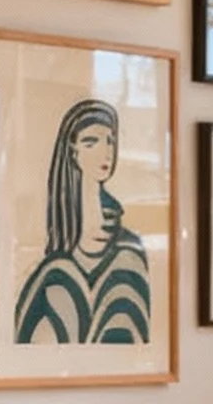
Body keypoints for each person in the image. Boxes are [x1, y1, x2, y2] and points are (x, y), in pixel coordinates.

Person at [14, 96, 150, 346]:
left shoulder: (128, 251)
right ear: (72, 151)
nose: (106, 151)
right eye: (91, 142)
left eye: (110, 141)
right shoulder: (53, 268)